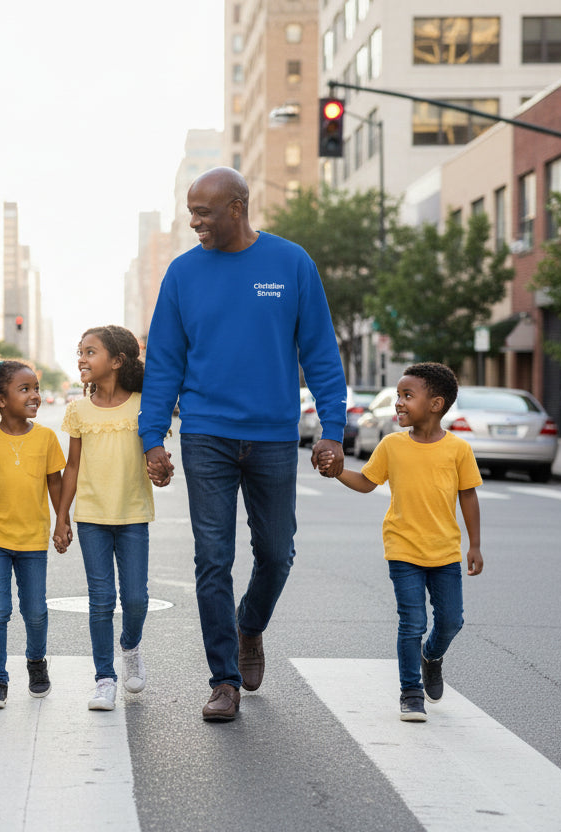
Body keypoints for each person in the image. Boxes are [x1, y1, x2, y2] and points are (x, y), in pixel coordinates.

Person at [139, 166, 348, 722]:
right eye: (190, 211)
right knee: (212, 559)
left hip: (274, 435)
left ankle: (249, 625)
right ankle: (223, 680)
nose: (194, 222)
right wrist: (152, 436)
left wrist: (333, 429)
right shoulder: (182, 274)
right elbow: (163, 361)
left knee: (277, 553)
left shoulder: (291, 263)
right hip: (206, 433)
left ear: (237, 207)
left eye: (204, 213)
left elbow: (321, 354)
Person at [318, 362, 483, 721]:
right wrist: (336, 472)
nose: (399, 403)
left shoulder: (458, 450)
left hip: (444, 551)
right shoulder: (391, 445)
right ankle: (410, 692)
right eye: (398, 396)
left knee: (452, 621)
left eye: (408, 396)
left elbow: (469, 496)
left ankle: (432, 657)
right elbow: (366, 482)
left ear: (436, 404)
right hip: (403, 548)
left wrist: (475, 545)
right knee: (412, 621)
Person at [53, 325, 160, 711]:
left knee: (135, 598)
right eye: (79, 351)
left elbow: (155, 452)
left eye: (90, 352)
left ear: (116, 361)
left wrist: (161, 467)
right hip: (92, 518)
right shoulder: (78, 409)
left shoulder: (144, 405)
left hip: (133, 514)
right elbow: (72, 467)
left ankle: (130, 646)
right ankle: (104, 678)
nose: (81, 358)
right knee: (100, 600)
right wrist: (61, 518)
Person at [0, 353, 66, 709]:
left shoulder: (47, 438)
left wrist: (62, 521)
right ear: (1, 400)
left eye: (36, 388)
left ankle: (36, 662)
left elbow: (56, 483)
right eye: (25, 389)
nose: (34, 395)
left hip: (33, 538)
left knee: (35, 609)